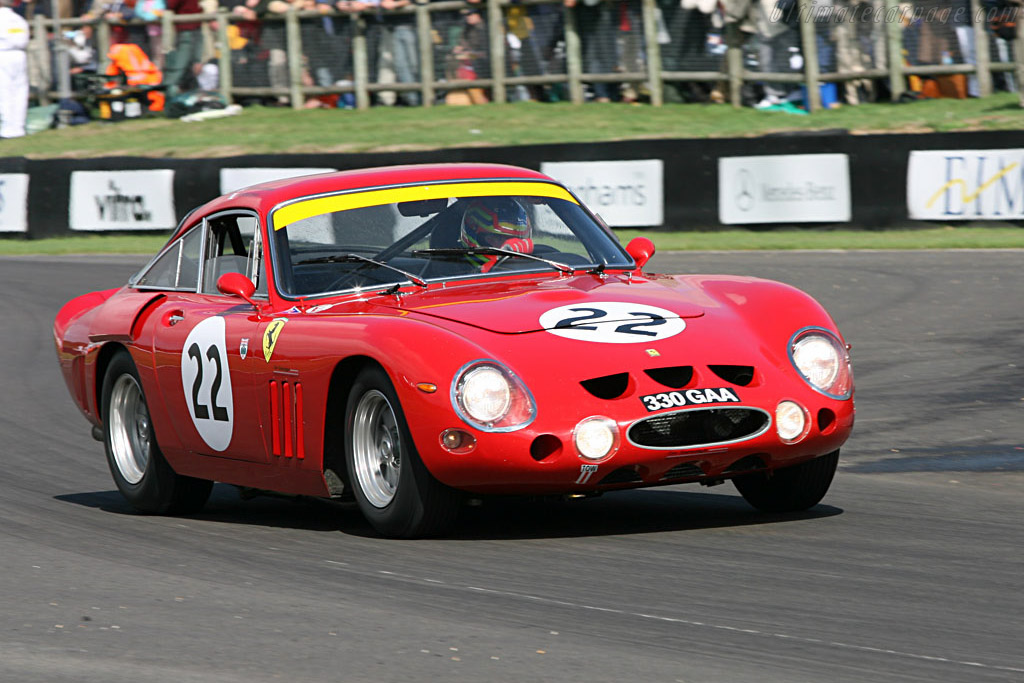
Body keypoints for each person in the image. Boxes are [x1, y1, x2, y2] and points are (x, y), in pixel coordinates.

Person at [459, 197, 533, 272]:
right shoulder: (453, 272)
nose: (511, 244)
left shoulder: (536, 266)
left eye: (517, 238)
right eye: (499, 238)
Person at [0, 0, 29, 138]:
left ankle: (7, 129)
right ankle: (18, 127)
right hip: (20, 55)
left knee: (5, 92)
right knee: (20, 92)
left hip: (3, 54)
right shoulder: (18, 19)